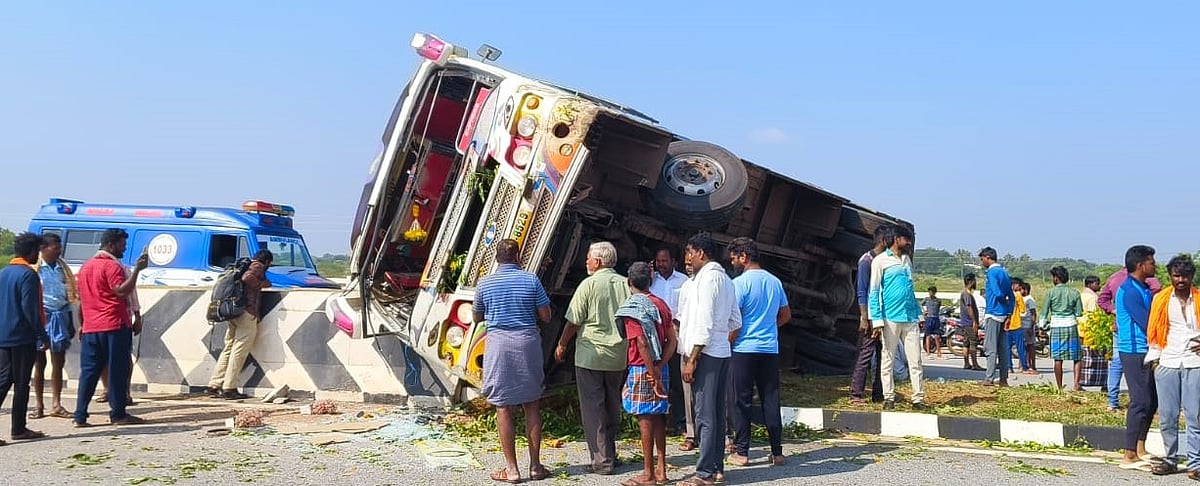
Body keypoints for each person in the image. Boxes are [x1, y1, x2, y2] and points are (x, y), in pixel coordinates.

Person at [474, 239, 553, 484]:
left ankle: (511, 470)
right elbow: (546, 316)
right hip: (527, 343)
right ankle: (535, 466)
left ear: (496, 258)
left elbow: (477, 316)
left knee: (503, 407)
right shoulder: (531, 280)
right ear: (518, 256)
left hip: (498, 346)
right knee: (532, 405)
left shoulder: (485, 283)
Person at [556, 241, 631, 475]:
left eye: (588, 257)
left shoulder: (588, 285)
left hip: (590, 357)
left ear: (597, 262)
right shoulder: (626, 285)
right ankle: (610, 453)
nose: (586, 261)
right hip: (618, 355)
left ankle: (602, 461)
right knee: (611, 404)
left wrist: (562, 343)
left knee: (593, 408)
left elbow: (574, 321)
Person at [678, 233, 740, 486]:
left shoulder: (709, 280)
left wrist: (693, 358)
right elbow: (735, 321)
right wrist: (720, 341)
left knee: (704, 416)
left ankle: (704, 473)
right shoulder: (723, 279)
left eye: (690, 252)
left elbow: (703, 323)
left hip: (705, 355)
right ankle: (716, 468)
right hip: (719, 352)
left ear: (701, 253)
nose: (687, 258)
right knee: (714, 413)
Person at [726, 238, 790, 467]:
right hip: (769, 349)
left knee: (741, 401)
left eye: (734, 258)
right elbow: (785, 315)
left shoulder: (739, 284)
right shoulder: (775, 282)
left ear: (744, 256)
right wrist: (769, 328)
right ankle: (777, 451)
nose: (732, 262)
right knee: (771, 399)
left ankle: (742, 452)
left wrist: (729, 342)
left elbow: (734, 321)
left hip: (744, 348)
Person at [74, 228, 147, 427]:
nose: (124, 249)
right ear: (111, 245)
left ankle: (80, 415)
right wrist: (138, 271)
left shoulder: (85, 268)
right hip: (114, 325)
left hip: (91, 328)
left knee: (89, 372)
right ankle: (118, 414)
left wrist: (83, 325)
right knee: (117, 371)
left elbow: (82, 302)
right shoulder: (112, 267)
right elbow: (121, 291)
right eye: (122, 245)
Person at [616, 261, 678, 486]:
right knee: (659, 416)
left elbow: (641, 342)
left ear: (629, 281)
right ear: (650, 280)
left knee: (645, 419)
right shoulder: (660, 304)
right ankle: (661, 470)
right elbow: (672, 340)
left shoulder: (632, 308)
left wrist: (652, 372)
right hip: (662, 366)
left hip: (642, 368)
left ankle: (648, 473)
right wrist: (661, 367)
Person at [1146, 254, 1200, 477]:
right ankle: (1170, 459)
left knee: (1194, 415)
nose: (1181, 280)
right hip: (1167, 360)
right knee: (1167, 415)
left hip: (1194, 362)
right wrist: (1155, 361)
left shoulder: (1198, 298)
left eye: (1185, 276)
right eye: (1177, 275)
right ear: (1170, 276)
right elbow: (1154, 330)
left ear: (1191, 277)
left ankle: (1196, 464)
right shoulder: (1160, 299)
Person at [0, 232, 51, 443]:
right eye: (38, 251)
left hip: (3, 335)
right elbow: (30, 309)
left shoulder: (3, 272)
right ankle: (18, 429)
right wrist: (42, 335)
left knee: (3, 380)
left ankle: (18, 428)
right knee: (21, 383)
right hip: (21, 337)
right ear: (31, 251)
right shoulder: (28, 275)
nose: (38, 256)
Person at [868, 225, 924, 411]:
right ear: (896, 239)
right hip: (889, 317)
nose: (908, 243)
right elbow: (874, 292)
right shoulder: (880, 261)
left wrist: (919, 313)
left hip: (909, 317)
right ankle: (889, 397)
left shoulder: (907, 260)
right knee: (888, 358)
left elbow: (910, 289)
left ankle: (918, 398)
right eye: (906, 239)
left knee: (915, 360)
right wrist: (876, 320)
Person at [1115, 245, 1160, 471]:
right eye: (1152, 261)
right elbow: (1147, 321)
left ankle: (1140, 448)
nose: (1155, 265)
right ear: (1141, 264)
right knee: (1140, 401)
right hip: (1133, 350)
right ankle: (1129, 453)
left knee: (1152, 400)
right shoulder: (1129, 290)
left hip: (1146, 350)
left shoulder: (1143, 287)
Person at [206, 250, 272, 400]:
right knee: (239, 350)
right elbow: (247, 278)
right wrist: (263, 284)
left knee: (228, 348)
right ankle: (229, 388)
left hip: (234, 312)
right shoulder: (257, 266)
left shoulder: (244, 264)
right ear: (267, 261)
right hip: (247, 313)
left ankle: (214, 384)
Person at [1100, 268, 1162, 412]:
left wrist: (1113, 310)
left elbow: (1102, 299)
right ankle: (1145, 402)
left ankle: (1112, 401)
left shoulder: (1114, 278)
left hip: (1120, 328)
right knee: (1147, 366)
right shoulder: (1147, 281)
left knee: (1116, 364)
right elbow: (1158, 294)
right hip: (1141, 332)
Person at [30, 233, 77, 420]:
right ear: (43, 248)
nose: (58, 251)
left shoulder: (62, 268)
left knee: (59, 361)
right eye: (55, 248)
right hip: (41, 316)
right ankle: (38, 404)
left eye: (60, 248)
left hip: (60, 315)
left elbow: (69, 295)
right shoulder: (35, 268)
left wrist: (70, 321)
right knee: (39, 362)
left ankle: (56, 404)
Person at [649, 247, 691, 445]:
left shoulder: (683, 281)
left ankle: (681, 422)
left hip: (676, 337)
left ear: (673, 261)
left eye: (665, 261)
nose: (661, 264)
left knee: (677, 381)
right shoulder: (651, 281)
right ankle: (660, 422)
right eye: (658, 261)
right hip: (655, 339)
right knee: (657, 379)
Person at [850, 225, 890, 404]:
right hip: (872, 316)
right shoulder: (866, 261)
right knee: (866, 354)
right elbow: (861, 291)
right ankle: (855, 394)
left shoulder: (884, 261)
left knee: (884, 355)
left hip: (884, 315)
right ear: (883, 241)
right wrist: (864, 317)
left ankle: (878, 393)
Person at [1040, 266, 1084, 390]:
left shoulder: (1051, 292)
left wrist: (1042, 326)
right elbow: (1079, 312)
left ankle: (1059, 387)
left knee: (1058, 357)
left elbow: (1044, 312)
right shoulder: (1074, 293)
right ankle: (1076, 384)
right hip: (1071, 325)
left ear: (1056, 278)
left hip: (1056, 325)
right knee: (1077, 356)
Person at [978, 247, 1015, 387]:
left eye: (982, 259)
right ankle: (1003, 378)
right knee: (1003, 348)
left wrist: (1001, 299)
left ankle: (989, 378)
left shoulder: (992, 272)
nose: (982, 262)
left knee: (990, 348)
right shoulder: (1004, 272)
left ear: (988, 257)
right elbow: (1011, 296)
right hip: (1004, 314)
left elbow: (997, 291)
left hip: (993, 312)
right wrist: (1009, 311)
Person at [960, 273, 984, 371]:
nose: (975, 282)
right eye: (974, 280)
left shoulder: (965, 293)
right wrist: (974, 321)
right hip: (969, 323)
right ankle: (975, 364)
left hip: (965, 322)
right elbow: (969, 307)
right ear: (970, 281)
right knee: (973, 343)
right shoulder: (967, 294)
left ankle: (966, 363)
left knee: (966, 343)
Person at [1006, 278, 1029, 374]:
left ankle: (1009, 367)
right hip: (1016, 324)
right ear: (1014, 285)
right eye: (1018, 286)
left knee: (1007, 348)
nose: (1019, 288)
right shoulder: (1018, 295)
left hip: (1006, 325)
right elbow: (1023, 310)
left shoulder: (1005, 295)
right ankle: (1024, 367)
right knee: (1020, 347)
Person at [1020, 281, 1038, 373]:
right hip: (1021, 325)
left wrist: (1032, 326)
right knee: (1024, 346)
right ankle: (1026, 364)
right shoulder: (1021, 298)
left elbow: (1033, 313)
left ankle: (1032, 365)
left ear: (1025, 290)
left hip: (1027, 326)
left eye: (1021, 289)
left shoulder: (1029, 299)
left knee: (1030, 346)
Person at [922, 286, 942, 359]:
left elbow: (938, 308)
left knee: (937, 336)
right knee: (928, 335)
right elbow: (920, 304)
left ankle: (939, 352)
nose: (931, 293)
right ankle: (928, 352)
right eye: (930, 291)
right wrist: (924, 311)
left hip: (936, 318)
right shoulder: (926, 299)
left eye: (932, 292)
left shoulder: (938, 300)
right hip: (929, 318)